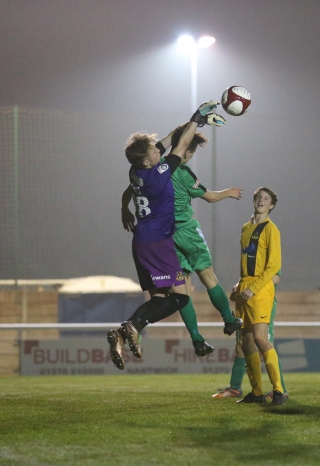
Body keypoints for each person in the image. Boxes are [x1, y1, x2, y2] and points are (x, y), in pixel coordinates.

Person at [106, 102, 225, 369]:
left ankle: (126, 330)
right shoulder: (159, 175)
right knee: (181, 297)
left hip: (140, 242)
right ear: (149, 160)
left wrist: (192, 123)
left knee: (160, 298)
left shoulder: (136, 170)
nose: (161, 150)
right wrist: (197, 117)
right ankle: (133, 326)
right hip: (158, 243)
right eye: (155, 151)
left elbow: (170, 141)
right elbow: (179, 148)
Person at [120, 123, 243, 356]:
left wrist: (124, 209)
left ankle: (197, 339)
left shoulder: (140, 173)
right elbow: (209, 197)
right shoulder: (174, 171)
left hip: (165, 239)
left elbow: (129, 190)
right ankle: (229, 319)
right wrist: (229, 192)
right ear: (187, 152)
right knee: (208, 277)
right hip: (185, 231)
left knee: (181, 290)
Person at [232, 187, 286, 406]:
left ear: (272, 205)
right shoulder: (246, 227)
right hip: (245, 287)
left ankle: (279, 390)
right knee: (245, 342)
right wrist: (239, 284)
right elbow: (245, 260)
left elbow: (274, 266)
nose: (261, 201)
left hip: (260, 289)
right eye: (258, 198)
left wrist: (253, 288)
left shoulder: (272, 229)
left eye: (266, 199)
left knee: (261, 338)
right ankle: (256, 392)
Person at [212, 272, 287, 400]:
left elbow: (275, 277)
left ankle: (280, 390)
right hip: (246, 299)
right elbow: (247, 274)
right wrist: (239, 286)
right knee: (242, 344)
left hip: (262, 300)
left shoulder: (268, 251)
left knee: (264, 343)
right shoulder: (247, 252)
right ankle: (238, 388)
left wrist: (250, 288)